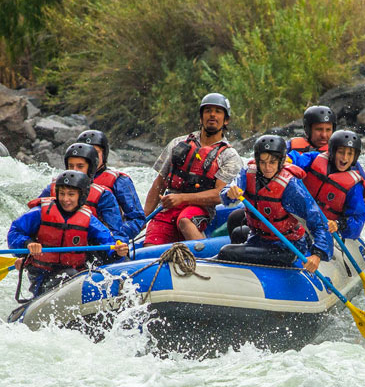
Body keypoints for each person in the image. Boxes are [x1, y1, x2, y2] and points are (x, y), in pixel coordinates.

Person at [219, 135, 333, 272]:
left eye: (272, 162)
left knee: (227, 251)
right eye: (262, 162)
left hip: (288, 246)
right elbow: (226, 195)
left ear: (281, 161)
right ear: (256, 160)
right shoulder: (247, 173)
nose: (267, 167)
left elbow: (317, 221)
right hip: (260, 238)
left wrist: (317, 254)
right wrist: (229, 193)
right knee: (237, 231)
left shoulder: (290, 186)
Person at [8, 170, 129, 298]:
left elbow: (107, 242)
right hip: (42, 275)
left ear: (81, 196)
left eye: (71, 194)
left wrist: (117, 252)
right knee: (69, 275)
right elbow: (15, 232)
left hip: (75, 273)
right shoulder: (39, 213)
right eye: (62, 194)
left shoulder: (88, 219)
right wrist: (29, 244)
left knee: (72, 274)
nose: (66, 199)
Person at [143, 92, 243, 245]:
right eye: (208, 110)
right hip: (168, 206)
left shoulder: (230, 156)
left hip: (200, 209)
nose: (212, 115)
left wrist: (182, 198)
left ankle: (204, 259)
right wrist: (144, 217)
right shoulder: (178, 143)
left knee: (185, 220)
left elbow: (219, 195)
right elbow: (159, 183)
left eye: (218, 111)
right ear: (201, 116)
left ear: (226, 120)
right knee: (151, 243)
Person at [287, 105, 365, 225]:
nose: (324, 135)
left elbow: (362, 187)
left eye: (328, 130)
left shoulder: (345, 159)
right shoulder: (292, 148)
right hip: (296, 207)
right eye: (319, 129)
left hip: (328, 216)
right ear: (308, 129)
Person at [34, 142, 127, 243]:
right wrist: (29, 243)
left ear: (91, 168)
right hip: (49, 250)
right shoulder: (51, 189)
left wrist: (117, 249)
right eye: (71, 166)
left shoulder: (104, 196)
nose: (75, 170)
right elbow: (26, 226)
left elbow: (117, 233)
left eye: (80, 166)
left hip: (86, 249)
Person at [288, 130, 365, 239]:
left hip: (324, 228)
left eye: (350, 154)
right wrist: (287, 160)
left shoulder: (354, 186)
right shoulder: (315, 158)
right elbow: (297, 159)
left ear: (355, 157)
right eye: (341, 152)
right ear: (332, 151)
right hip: (299, 218)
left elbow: (358, 218)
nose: (345, 158)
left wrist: (338, 224)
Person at [77, 129, 145, 240]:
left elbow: (137, 219)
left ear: (104, 154)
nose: (90, 156)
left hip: (107, 240)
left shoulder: (120, 181)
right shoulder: (65, 181)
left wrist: (114, 237)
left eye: (95, 152)